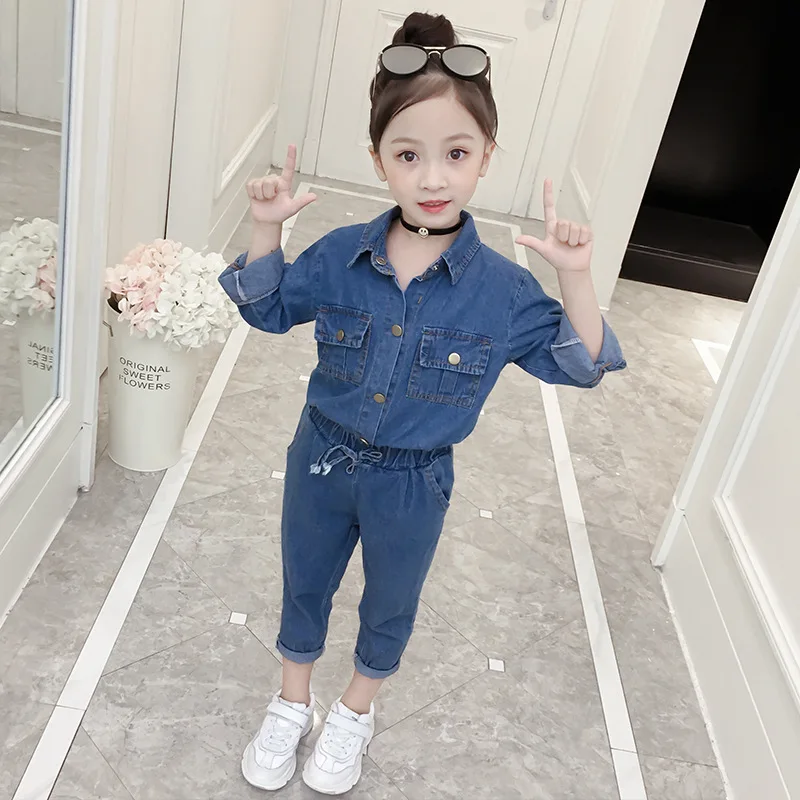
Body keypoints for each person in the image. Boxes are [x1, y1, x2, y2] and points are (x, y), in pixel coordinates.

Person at [219, 10, 625, 796]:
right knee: (304, 580)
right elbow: (265, 310)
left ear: (486, 157)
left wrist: (576, 276)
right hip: (320, 456)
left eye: (456, 154)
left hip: (414, 481)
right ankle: (291, 702)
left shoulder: (504, 293)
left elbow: (582, 366)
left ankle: (353, 713)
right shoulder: (340, 255)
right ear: (378, 160)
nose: (432, 178)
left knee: (390, 601)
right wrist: (266, 231)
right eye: (409, 155)